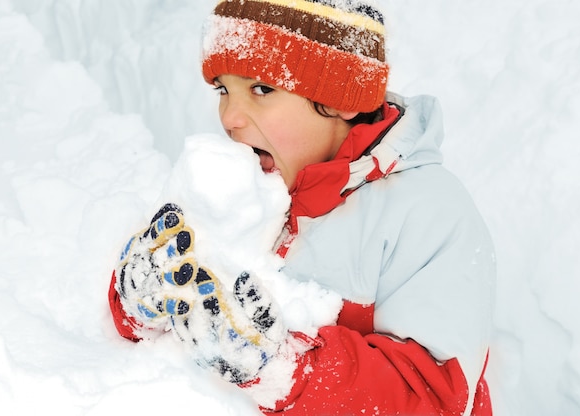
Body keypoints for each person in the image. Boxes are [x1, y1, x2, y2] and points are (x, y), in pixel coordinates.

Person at [108, 1, 496, 415]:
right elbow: (168, 338)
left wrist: (285, 368)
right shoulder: (242, 184)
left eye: (261, 89)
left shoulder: (429, 214)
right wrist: (139, 305)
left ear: (343, 97)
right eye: (223, 90)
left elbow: (436, 398)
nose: (230, 117)